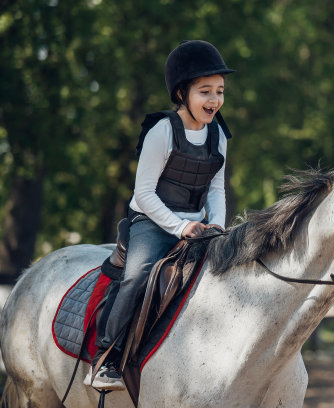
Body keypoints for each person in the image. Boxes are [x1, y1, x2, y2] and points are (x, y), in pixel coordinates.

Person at [84, 40, 235, 390]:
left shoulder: (218, 135)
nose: (214, 100)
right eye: (205, 92)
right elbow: (144, 194)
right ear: (182, 93)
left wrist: (218, 226)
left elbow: (216, 189)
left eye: (220, 92)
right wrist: (180, 226)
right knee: (138, 276)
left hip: (198, 226)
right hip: (152, 223)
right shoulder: (162, 131)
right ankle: (106, 356)